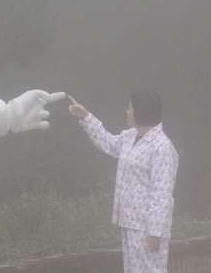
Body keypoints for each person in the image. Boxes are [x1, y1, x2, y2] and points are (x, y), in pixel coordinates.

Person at [68, 90, 178, 273]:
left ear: (140, 111)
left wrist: (155, 232)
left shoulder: (162, 147)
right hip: (129, 222)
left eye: (130, 108)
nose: (127, 112)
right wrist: (86, 117)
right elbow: (107, 142)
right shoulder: (130, 137)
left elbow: (161, 193)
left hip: (147, 227)